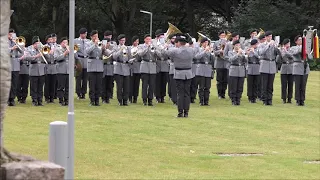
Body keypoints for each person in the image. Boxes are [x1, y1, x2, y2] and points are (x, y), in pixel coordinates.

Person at [163, 34, 194, 117]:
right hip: (188, 73)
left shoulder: (175, 51)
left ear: (179, 42)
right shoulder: (191, 50)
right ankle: (186, 112)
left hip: (179, 73)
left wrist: (165, 46)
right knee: (187, 94)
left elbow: (164, 54)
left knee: (180, 94)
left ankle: (180, 112)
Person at [85, 30, 110, 106]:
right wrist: (94, 45)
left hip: (99, 65)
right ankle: (92, 100)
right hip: (91, 65)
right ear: (91, 37)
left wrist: (105, 48)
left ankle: (97, 100)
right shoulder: (88, 43)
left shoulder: (101, 44)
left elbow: (106, 54)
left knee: (99, 85)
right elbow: (87, 51)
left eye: (97, 36)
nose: (96, 37)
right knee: (92, 85)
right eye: (94, 36)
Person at [137, 34, 161, 106]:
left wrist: (155, 49)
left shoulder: (154, 46)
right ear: (144, 40)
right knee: (145, 84)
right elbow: (140, 54)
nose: (149, 41)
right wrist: (147, 47)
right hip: (145, 65)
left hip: (152, 66)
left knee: (152, 85)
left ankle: (150, 100)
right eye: (147, 39)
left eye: (150, 39)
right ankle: (144, 99)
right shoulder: (141, 46)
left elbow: (160, 55)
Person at [257, 31, 280, 105]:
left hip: (272, 64)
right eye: (269, 36)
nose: (270, 38)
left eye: (271, 36)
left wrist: (276, 47)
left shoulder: (273, 45)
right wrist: (268, 45)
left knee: (270, 84)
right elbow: (260, 53)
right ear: (266, 37)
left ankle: (270, 99)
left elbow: (279, 54)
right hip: (264, 64)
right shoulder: (261, 45)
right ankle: (264, 100)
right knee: (264, 84)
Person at [25, 36, 46, 106]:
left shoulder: (41, 49)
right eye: (37, 43)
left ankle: (40, 100)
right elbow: (27, 58)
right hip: (33, 70)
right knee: (34, 87)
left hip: (41, 70)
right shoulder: (29, 49)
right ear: (34, 44)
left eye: (39, 43)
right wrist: (37, 56)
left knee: (40, 87)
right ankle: (34, 100)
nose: (38, 45)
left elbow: (48, 58)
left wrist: (45, 52)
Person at [289, 35, 310, 106]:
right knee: (298, 85)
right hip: (297, 67)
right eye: (299, 40)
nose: (301, 41)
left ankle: (302, 100)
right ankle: (298, 100)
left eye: (302, 40)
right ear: (296, 41)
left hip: (304, 66)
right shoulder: (293, 48)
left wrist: (308, 53)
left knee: (303, 85)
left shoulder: (306, 48)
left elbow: (311, 57)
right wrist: (301, 47)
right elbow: (294, 53)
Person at [194, 38, 215, 106]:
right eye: (205, 42)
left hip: (208, 68)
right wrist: (204, 51)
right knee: (201, 86)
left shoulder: (209, 50)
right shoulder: (199, 49)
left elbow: (213, 60)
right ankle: (201, 101)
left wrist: (212, 53)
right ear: (202, 43)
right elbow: (197, 57)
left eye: (207, 43)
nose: (206, 44)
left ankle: (206, 101)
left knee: (207, 86)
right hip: (201, 68)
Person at [113, 34, 132, 106]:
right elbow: (114, 56)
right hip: (118, 68)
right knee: (119, 86)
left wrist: (131, 61)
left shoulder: (127, 48)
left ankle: (125, 100)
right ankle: (120, 100)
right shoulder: (116, 47)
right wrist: (120, 50)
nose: (122, 42)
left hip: (126, 67)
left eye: (124, 40)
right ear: (119, 41)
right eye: (121, 40)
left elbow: (130, 56)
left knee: (126, 86)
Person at [228, 40, 246, 105]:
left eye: (239, 45)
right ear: (234, 46)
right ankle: (233, 100)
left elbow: (246, 60)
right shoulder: (230, 52)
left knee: (240, 87)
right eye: (237, 45)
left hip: (241, 70)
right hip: (233, 70)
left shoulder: (242, 52)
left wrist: (243, 54)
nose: (238, 46)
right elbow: (231, 59)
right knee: (233, 86)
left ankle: (238, 99)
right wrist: (237, 54)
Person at [7, 29, 22, 106]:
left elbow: (22, 51)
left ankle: (12, 99)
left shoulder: (16, 42)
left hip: (16, 65)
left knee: (14, 83)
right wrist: (11, 48)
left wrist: (17, 44)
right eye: (10, 35)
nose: (12, 36)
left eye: (13, 35)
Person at [153, 29, 169, 103]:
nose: (162, 37)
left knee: (164, 81)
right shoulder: (154, 42)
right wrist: (163, 48)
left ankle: (163, 96)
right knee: (157, 81)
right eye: (160, 36)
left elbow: (168, 53)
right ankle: (157, 96)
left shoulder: (165, 42)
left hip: (165, 63)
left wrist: (166, 47)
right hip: (158, 62)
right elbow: (157, 52)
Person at [54, 37, 70, 106]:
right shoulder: (57, 49)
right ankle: (61, 100)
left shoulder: (69, 49)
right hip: (60, 70)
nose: (65, 44)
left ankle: (67, 100)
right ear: (61, 43)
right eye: (64, 42)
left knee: (67, 86)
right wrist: (64, 54)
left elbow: (75, 56)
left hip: (68, 70)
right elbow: (57, 58)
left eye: (66, 42)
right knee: (61, 86)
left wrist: (70, 50)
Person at [74, 28, 90, 99]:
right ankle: (78, 93)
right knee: (78, 78)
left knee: (85, 78)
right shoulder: (76, 41)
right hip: (79, 59)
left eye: (85, 33)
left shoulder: (88, 41)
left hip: (86, 59)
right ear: (81, 34)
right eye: (84, 34)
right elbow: (74, 52)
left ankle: (84, 93)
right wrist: (76, 61)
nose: (85, 35)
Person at [277, 38, 294, 104]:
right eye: (287, 44)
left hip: (291, 68)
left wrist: (286, 51)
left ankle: (289, 98)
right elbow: (281, 58)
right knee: (283, 84)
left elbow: (291, 56)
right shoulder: (281, 50)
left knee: (291, 84)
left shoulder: (292, 49)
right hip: (284, 68)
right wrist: (282, 51)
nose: (288, 45)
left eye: (289, 43)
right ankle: (283, 98)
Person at [214, 31, 229, 99]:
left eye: (224, 35)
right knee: (219, 79)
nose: (223, 37)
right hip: (219, 62)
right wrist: (220, 51)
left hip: (225, 62)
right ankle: (219, 93)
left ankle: (223, 93)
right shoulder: (216, 43)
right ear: (219, 36)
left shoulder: (228, 43)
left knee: (225, 80)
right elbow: (214, 52)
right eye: (222, 35)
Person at [44, 34, 57, 103]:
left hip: (54, 66)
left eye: (51, 39)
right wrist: (51, 52)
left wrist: (54, 51)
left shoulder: (55, 46)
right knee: (47, 83)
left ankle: (52, 97)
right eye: (49, 40)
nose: (51, 41)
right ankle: (47, 97)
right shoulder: (45, 47)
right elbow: (47, 56)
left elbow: (57, 55)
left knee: (53, 83)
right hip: (48, 66)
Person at [246, 39, 260, 103]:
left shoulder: (258, 50)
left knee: (256, 84)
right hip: (250, 67)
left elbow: (259, 57)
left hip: (257, 67)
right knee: (250, 83)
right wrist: (248, 54)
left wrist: (254, 51)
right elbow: (246, 59)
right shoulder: (248, 49)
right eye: (256, 44)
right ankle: (250, 97)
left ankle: (254, 97)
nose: (256, 45)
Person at [129, 36, 141, 103]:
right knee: (131, 83)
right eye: (135, 41)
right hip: (131, 67)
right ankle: (130, 97)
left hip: (138, 67)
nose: (136, 42)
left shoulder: (140, 48)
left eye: (137, 41)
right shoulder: (129, 48)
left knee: (137, 84)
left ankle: (135, 98)